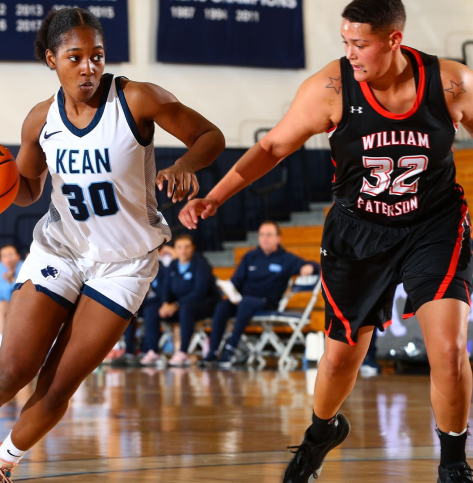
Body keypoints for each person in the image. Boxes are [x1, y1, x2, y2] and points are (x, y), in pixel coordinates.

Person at [0, 7, 225, 483]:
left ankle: (5, 460)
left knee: (59, 384)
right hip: (61, 249)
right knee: (12, 369)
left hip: (125, 262)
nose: (89, 67)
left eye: (97, 56)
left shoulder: (138, 99)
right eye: (76, 56)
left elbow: (211, 135)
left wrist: (186, 163)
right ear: (52, 59)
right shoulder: (41, 119)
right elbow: (25, 188)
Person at [179, 1, 473, 480]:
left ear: (394, 40)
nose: (350, 54)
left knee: (447, 349)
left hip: (433, 225)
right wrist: (215, 197)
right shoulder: (331, 87)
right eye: (345, 43)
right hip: (358, 232)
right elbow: (273, 146)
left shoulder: (451, 82)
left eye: (360, 44)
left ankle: (454, 463)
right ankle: (321, 433)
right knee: (339, 360)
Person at [201, 221, 317, 369]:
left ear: (278, 238)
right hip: (243, 301)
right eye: (261, 235)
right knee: (222, 306)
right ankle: (212, 351)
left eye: (269, 235)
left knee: (246, 303)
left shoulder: (287, 259)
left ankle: (230, 350)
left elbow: (313, 265)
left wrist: (310, 266)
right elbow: (235, 281)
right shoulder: (250, 256)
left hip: (267, 302)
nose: (264, 238)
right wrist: (229, 291)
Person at [154, 234, 220, 367]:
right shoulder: (173, 265)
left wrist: (176, 305)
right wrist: (165, 303)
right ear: (175, 249)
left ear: (193, 248)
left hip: (205, 304)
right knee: (151, 308)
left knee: (186, 309)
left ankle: (183, 351)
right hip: (180, 306)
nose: (183, 251)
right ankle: (150, 351)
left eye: (187, 247)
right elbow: (166, 287)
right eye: (179, 247)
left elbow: (200, 292)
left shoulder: (202, 265)